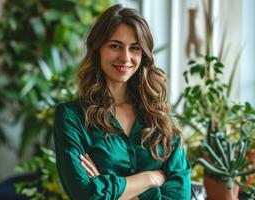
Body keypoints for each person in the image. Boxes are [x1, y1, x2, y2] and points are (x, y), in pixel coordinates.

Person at [54, 4, 191, 200]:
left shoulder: (160, 117)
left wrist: (111, 189)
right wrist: (151, 178)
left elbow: (181, 196)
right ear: (97, 49)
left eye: (134, 48)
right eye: (115, 46)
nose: (125, 57)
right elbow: (86, 194)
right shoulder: (71, 117)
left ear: (143, 54)